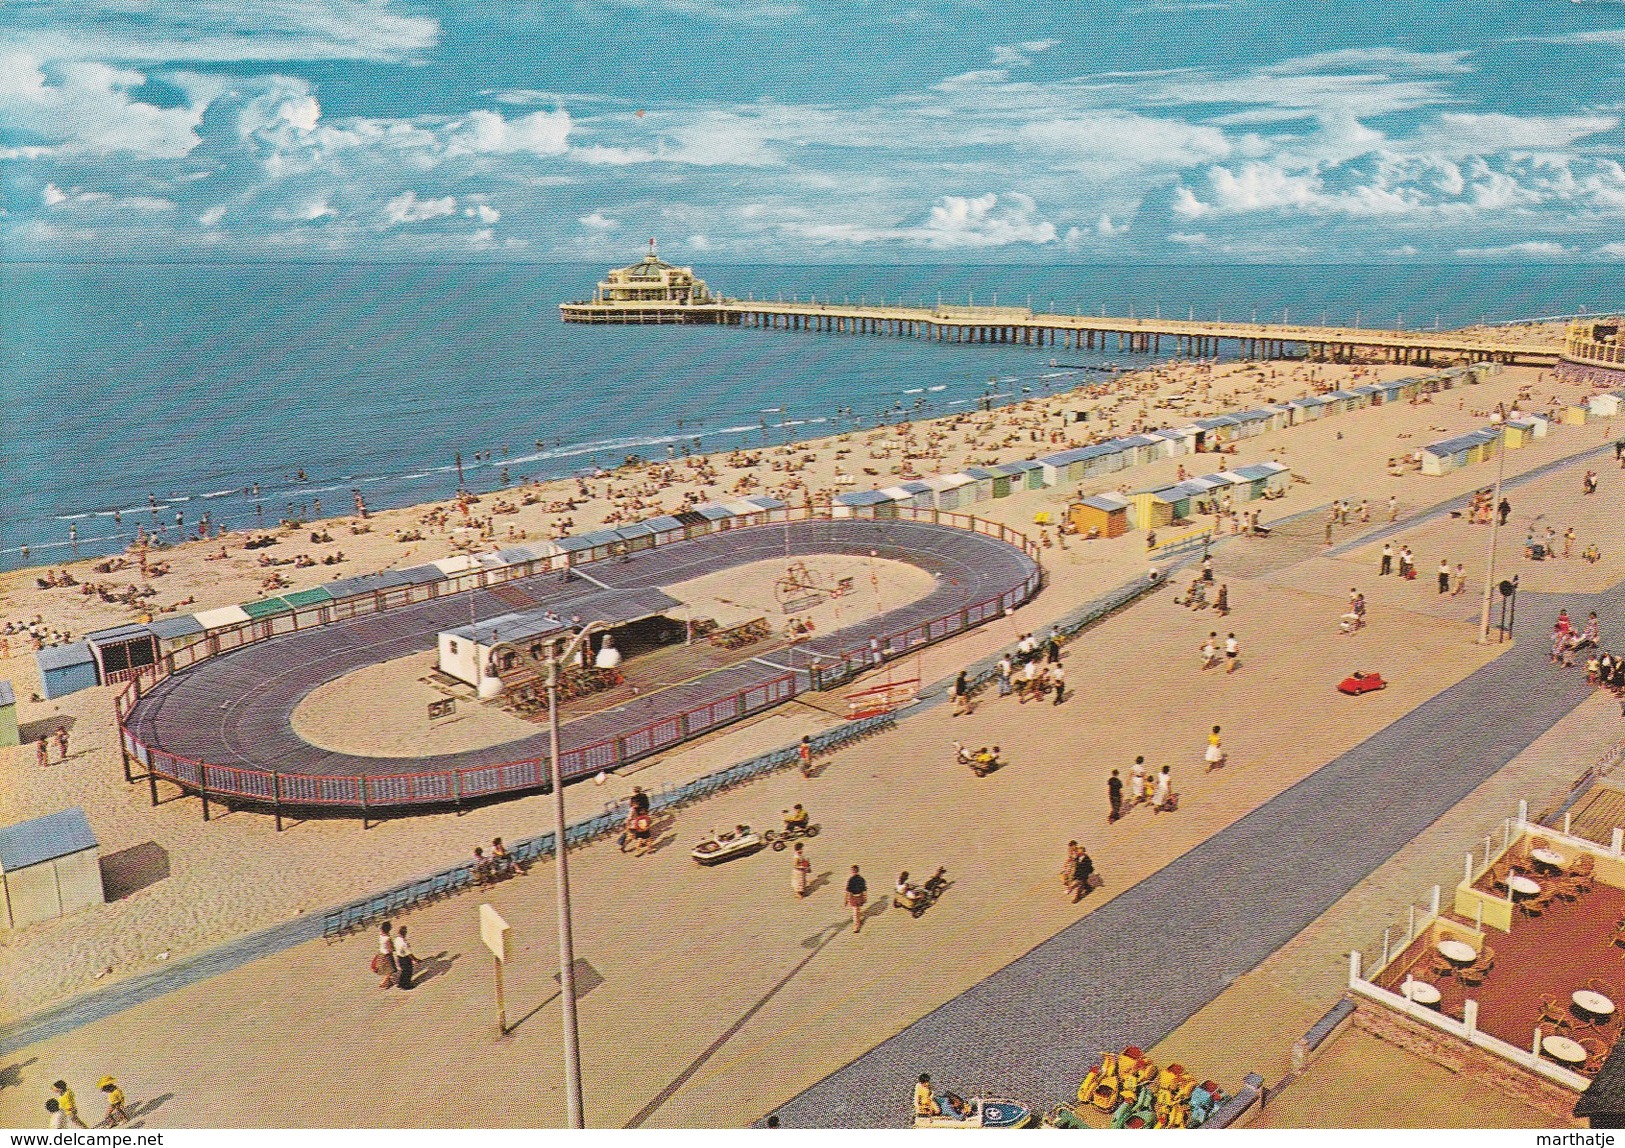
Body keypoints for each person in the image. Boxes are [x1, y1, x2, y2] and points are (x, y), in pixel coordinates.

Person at [845, 865, 868, 933]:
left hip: (854, 898)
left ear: (852, 871)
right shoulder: (862, 879)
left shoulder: (851, 880)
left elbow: (848, 891)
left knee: (855, 912)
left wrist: (846, 900)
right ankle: (858, 919)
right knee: (858, 909)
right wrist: (865, 897)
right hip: (860, 897)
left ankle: (856, 927)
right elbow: (864, 890)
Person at [375, 921, 398, 989]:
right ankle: (383, 982)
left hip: (381, 954)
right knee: (390, 970)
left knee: (386, 969)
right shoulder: (387, 938)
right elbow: (389, 949)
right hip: (387, 956)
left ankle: (388, 983)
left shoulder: (380, 935)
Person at [392, 925, 415, 989]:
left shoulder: (396, 939)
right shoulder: (404, 943)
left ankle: (401, 983)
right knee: (408, 972)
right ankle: (406, 985)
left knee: (403, 972)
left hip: (399, 958)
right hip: (405, 959)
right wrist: (414, 959)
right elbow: (409, 953)